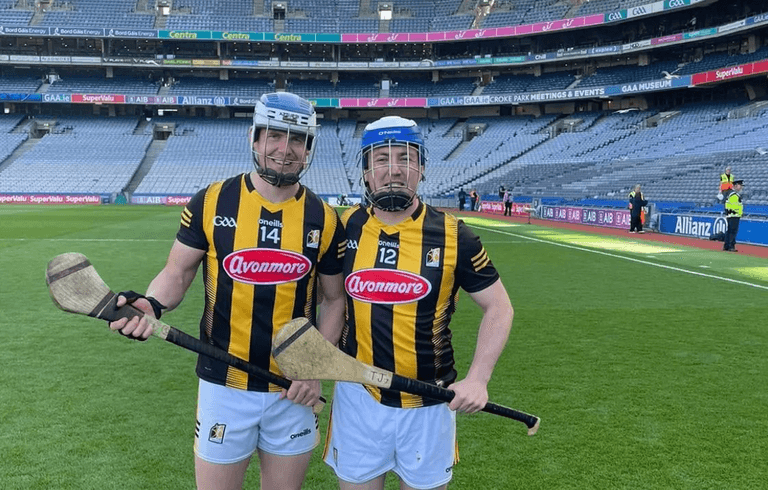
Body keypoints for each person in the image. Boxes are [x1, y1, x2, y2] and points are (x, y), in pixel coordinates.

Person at [108, 92, 346, 490]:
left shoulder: (324, 218)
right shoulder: (212, 201)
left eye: (297, 139)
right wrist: (151, 304)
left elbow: (335, 300)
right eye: (274, 135)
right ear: (255, 138)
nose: (285, 149)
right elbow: (177, 273)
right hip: (223, 385)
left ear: (309, 148)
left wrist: (313, 369)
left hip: (292, 390)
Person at [324, 116, 514, 489]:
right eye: (382, 159)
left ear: (422, 168)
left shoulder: (455, 235)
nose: (394, 169)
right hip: (358, 397)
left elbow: (499, 307)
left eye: (405, 158)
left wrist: (478, 379)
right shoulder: (345, 226)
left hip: (429, 401)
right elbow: (328, 297)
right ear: (366, 171)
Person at [723, 179, 744, 252]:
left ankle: (726, 246)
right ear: (736, 186)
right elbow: (734, 206)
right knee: (733, 231)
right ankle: (731, 246)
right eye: (740, 185)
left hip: (731, 215)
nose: (741, 187)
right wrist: (738, 213)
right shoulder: (734, 195)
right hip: (734, 216)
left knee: (729, 231)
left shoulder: (731, 194)